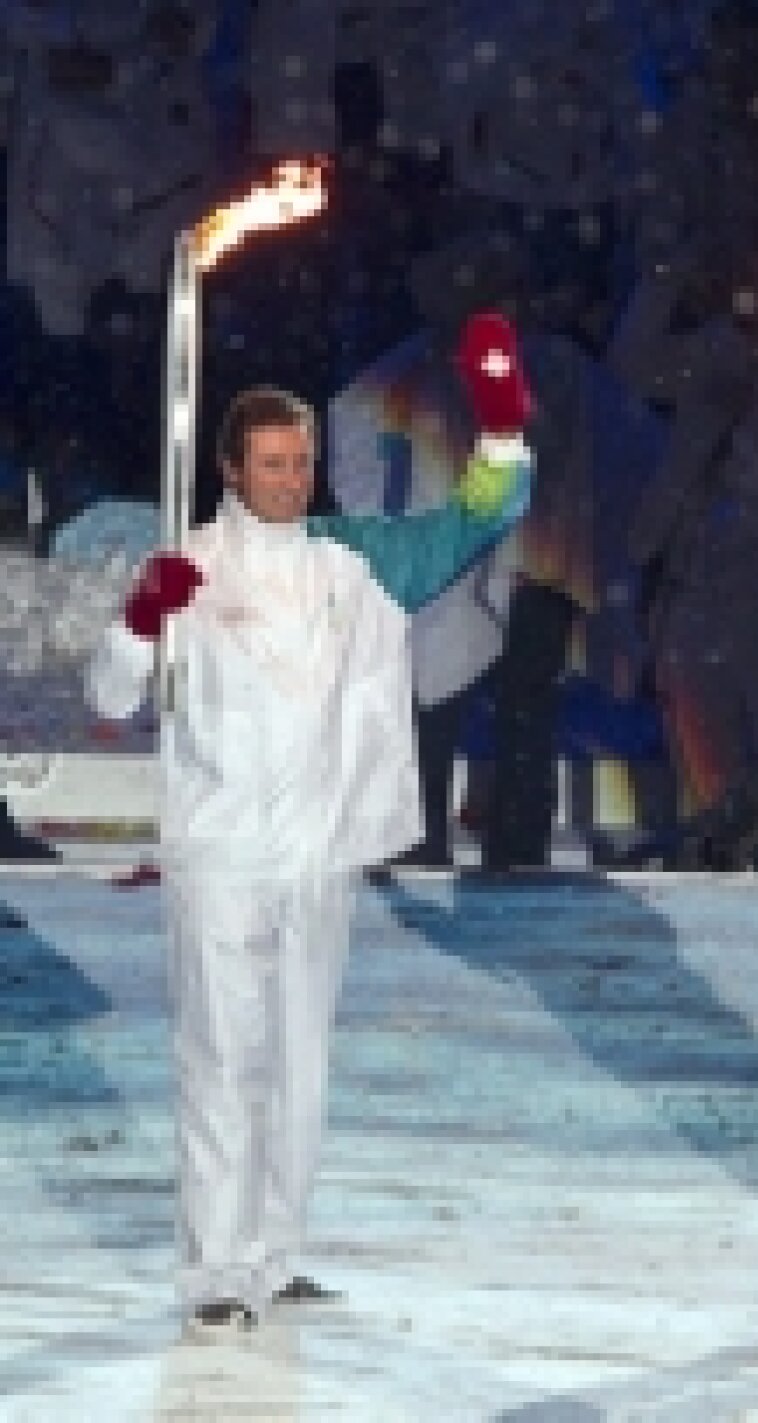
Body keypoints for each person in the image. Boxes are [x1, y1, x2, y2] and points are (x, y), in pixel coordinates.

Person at [85, 333, 533, 1337]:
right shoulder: (187, 569)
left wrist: (502, 421)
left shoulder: (354, 562)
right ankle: (214, 1272)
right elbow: (111, 696)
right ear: (232, 470)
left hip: (317, 855)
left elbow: (481, 513)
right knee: (220, 1061)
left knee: (298, 1065)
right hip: (223, 853)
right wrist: (139, 625)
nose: (293, 481)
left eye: (303, 463)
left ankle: (274, 1255)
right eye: (274, 464)